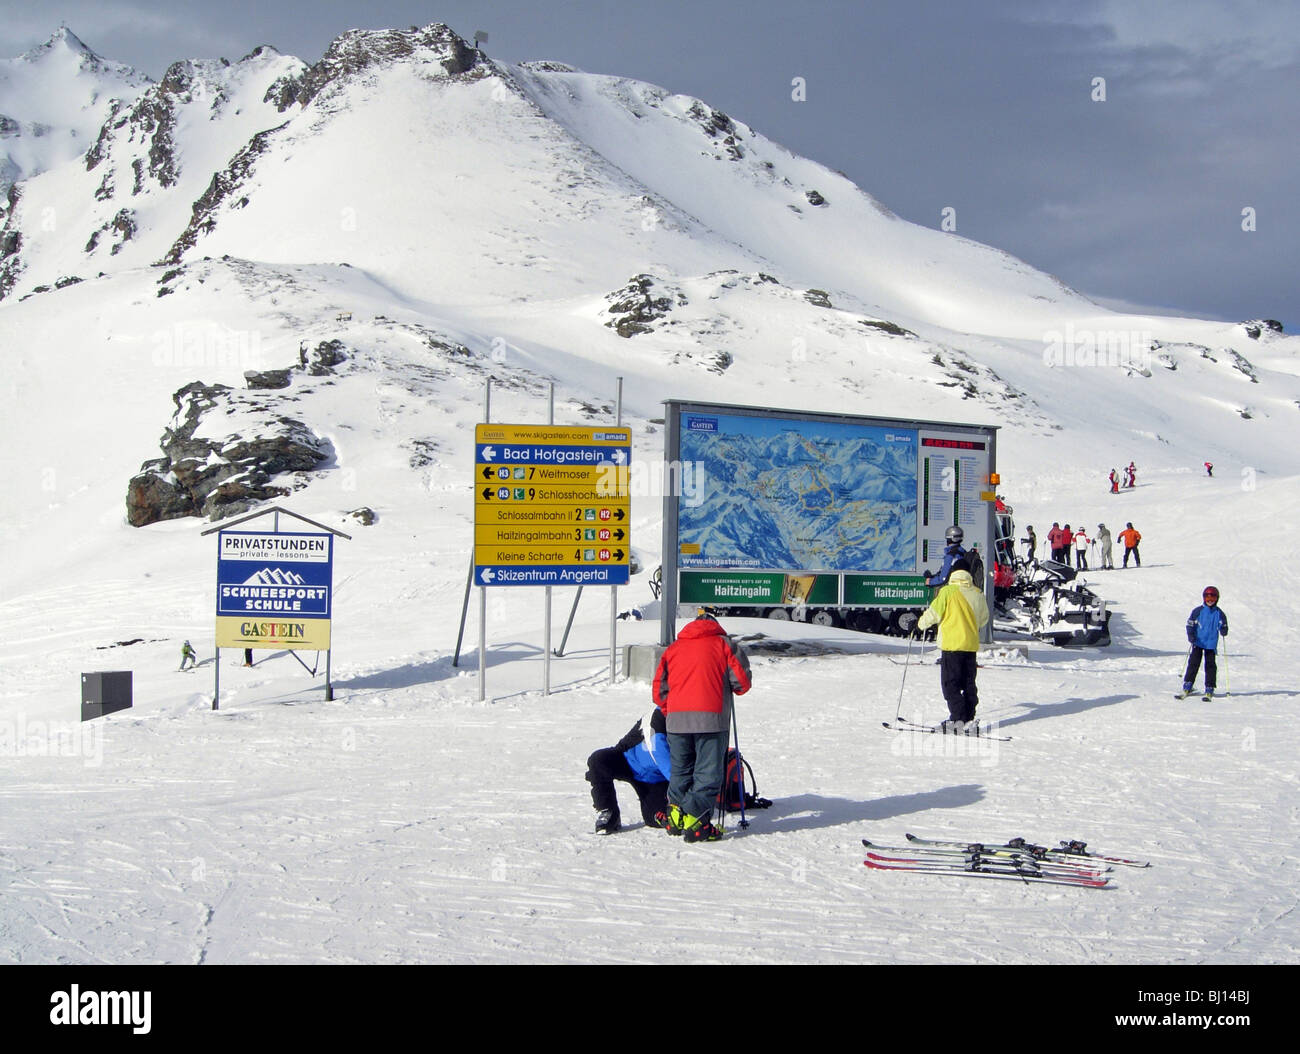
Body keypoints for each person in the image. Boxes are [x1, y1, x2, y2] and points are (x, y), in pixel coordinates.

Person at [652, 612, 752, 842]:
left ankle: (675, 814)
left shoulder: (673, 649)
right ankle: (695, 819)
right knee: (707, 774)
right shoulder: (724, 644)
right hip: (711, 719)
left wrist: (670, 712)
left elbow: (659, 691)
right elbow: (742, 682)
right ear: (715, 626)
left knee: (681, 770)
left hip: (676, 721)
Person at [914, 558, 990, 729]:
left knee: (950, 684)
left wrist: (919, 625)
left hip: (951, 645)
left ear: (953, 573)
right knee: (968, 683)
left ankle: (957, 719)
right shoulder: (977, 593)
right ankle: (969, 717)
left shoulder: (947, 592)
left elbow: (933, 614)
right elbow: (984, 619)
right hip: (970, 646)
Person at [585, 707, 671, 835]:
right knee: (599, 760)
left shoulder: (691, 723)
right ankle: (609, 811)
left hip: (656, 779)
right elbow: (626, 744)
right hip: (629, 762)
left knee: (655, 819)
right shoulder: (655, 716)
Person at [1181, 586, 1228, 699]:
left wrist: (1223, 630)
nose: (1210, 600)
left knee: (1210, 665)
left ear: (1217, 599)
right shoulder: (1198, 611)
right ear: (1204, 598)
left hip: (1211, 644)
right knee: (1193, 663)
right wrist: (1191, 635)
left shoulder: (1219, 613)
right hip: (1198, 642)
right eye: (1207, 597)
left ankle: (1210, 686)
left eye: (1213, 597)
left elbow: (1224, 625)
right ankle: (1188, 684)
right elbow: (1190, 624)